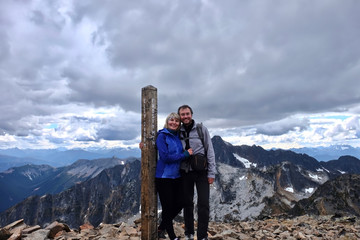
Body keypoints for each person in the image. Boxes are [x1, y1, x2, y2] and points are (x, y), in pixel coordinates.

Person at [177, 105, 216, 240]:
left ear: (191, 114)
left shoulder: (201, 129)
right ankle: (189, 233)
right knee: (187, 203)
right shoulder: (177, 130)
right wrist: (144, 144)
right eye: (182, 114)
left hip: (202, 172)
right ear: (180, 117)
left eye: (187, 114)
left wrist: (211, 173)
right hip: (185, 172)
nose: (185, 116)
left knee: (203, 203)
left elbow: (209, 150)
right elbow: (163, 139)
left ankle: (202, 235)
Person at [154, 112, 193, 240]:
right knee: (167, 207)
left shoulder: (176, 136)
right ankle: (172, 236)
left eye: (177, 121)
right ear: (167, 122)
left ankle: (161, 227)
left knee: (182, 202)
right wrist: (184, 155)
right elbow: (165, 157)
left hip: (176, 176)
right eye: (171, 120)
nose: (174, 123)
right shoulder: (162, 136)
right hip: (164, 177)